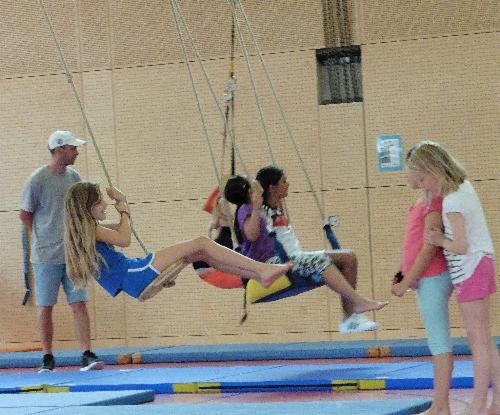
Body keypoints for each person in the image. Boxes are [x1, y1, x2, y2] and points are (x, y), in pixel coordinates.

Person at [63, 182, 292, 300]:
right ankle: (260, 269)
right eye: (100, 202)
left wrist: (124, 208)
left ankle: (257, 275)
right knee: (201, 242)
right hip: (134, 273)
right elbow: (124, 238)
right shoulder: (92, 229)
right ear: (87, 207)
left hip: (132, 276)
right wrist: (122, 207)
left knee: (199, 253)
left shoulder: (88, 230)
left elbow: (123, 228)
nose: (105, 204)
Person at [224, 173, 387, 333]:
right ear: (249, 192)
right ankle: (357, 301)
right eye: (283, 181)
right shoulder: (245, 209)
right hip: (267, 265)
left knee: (348, 258)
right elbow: (252, 235)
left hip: (279, 259)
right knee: (320, 261)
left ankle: (350, 319)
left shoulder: (261, 208)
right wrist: (256, 206)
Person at [407, 140, 500, 415]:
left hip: (471, 268)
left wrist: (438, 240)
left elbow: (460, 245)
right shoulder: (463, 187)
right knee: (484, 338)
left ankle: (477, 405)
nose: (423, 185)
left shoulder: (452, 201)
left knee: (478, 341)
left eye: (423, 179)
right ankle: (495, 402)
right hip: (479, 264)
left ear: (434, 170)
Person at [19, 130, 103, 373]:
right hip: (46, 255)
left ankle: (86, 353)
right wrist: (44, 235)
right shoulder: (37, 180)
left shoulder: (74, 177)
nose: (76, 152)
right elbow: (25, 214)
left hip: (73, 253)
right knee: (45, 306)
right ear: (59, 149)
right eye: (72, 148)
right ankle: (47, 356)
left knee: (79, 303)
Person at [391, 146, 453, 415]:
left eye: (408, 169)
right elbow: (414, 242)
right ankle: (440, 404)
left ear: (422, 170)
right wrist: (401, 272)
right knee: (436, 342)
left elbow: (429, 248)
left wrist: (407, 282)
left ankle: (441, 406)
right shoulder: (424, 200)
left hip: (434, 276)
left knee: (439, 343)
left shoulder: (433, 200)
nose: (406, 174)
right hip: (426, 277)